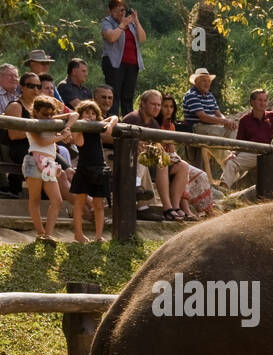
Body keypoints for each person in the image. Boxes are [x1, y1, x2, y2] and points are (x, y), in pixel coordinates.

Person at [122, 89, 192, 220]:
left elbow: (157, 146)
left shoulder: (154, 123)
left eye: (158, 105)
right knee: (162, 163)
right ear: (143, 104)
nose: (157, 108)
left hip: (147, 162)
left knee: (182, 166)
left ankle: (175, 206)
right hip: (130, 161)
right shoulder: (132, 119)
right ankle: (166, 208)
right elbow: (124, 144)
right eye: (153, 104)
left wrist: (171, 157)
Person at [22, 95, 74, 241]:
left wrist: (67, 128)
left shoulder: (52, 121)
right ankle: (40, 233)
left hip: (49, 162)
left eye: (52, 114)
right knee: (35, 198)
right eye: (45, 114)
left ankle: (47, 234)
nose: (49, 117)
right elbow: (41, 142)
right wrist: (61, 136)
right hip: (34, 161)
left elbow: (74, 114)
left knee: (57, 200)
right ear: (36, 111)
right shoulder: (31, 123)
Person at [69, 100, 117, 242]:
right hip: (84, 168)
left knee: (99, 204)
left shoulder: (98, 127)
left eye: (93, 113)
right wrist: (79, 124)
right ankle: (78, 234)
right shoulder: (79, 130)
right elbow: (77, 141)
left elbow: (115, 117)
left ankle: (98, 236)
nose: (90, 116)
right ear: (80, 114)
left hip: (99, 168)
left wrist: (110, 125)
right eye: (86, 113)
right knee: (79, 202)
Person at [220, 88, 273, 189]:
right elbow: (240, 143)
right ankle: (223, 190)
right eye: (260, 100)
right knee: (231, 163)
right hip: (253, 153)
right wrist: (234, 153)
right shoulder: (244, 120)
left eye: (265, 100)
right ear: (252, 102)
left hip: (272, 152)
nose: (263, 103)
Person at [99, 2, 145, 117]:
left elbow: (142, 38)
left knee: (128, 96)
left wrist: (136, 21)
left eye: (122, 10)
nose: (120, 13)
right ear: (110, 11)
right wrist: (122, 25)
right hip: (114, 63)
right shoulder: (107, 22)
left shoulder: (131, 24)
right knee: (114, 94)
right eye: (116, 11)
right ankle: (112, 119)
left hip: (132, 63)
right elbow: (111, 38)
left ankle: (128, 119)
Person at [4, 72, 43, 196]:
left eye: (38, 86)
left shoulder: (39, 108)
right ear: (22, 87)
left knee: (67, 171)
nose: (36, 90)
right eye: (31, 86)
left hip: (40, 148)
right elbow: (14, 135)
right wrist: (38, 132)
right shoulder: (15, 106)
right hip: (21, 149)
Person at [182, 68, 236, 138]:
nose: (207, 83)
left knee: (232, 129)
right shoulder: (192, 95)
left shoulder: (210, 95)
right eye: (204, 81)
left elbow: (218, 114)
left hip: (210, 126)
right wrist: (225, 121)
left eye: (208, 81)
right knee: (226, 132)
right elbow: (203, 117)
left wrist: (226, 122)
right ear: (196, 82)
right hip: (196, 127)